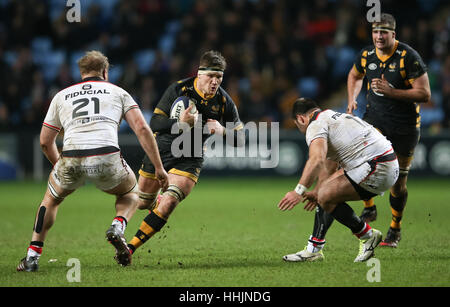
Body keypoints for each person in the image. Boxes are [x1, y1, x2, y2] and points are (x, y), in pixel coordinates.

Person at [17, 51, 168, 272]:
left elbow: (44, 141)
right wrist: (159, 167)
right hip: (106, 156)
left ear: (82, 73)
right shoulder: (118, 92)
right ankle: (117, 226)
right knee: (130, 194)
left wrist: (59, 165)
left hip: (71, 156)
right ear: (105, 72)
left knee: (50, 200)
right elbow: (143, 129)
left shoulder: (61, 96)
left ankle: (32, 257)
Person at [116, 50, 244, 266]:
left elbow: (240, 140)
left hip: (191, 157)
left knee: (170, 201)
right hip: (161, 151)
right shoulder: (178, 89)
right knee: (142, 202)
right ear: (199, 74)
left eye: (219, 77)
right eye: (211, 76)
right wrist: (181, 125)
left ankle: (129, 248)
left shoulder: (224, 101)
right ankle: (156, 200)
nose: (215, 82)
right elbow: (155, 123)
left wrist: (222, 130)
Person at [278, 98, 399, 262]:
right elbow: (328, 166)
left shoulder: (314, 125)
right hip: (385, 162)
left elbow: (316, 160)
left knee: (326, 195)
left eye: (298, 126)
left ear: (301, 118)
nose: (301, 130)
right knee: (325, 195)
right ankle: (314, 248)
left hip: (377, 165)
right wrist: (316, 191)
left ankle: (368, 235)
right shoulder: (331, 117)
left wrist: (298, 191)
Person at [347, 13, 431, 247]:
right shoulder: (367, 55)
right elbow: (354, 75)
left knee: (398, 183)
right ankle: (369, 208)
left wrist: (391, 91)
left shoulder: (408, 57)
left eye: (384, 32)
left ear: (394, 34)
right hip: (375, 122)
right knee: (360, 163)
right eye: (375, 31)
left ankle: (395, 228)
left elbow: (425, 94)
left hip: (404, 127)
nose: (379, 36)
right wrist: (352, 99)